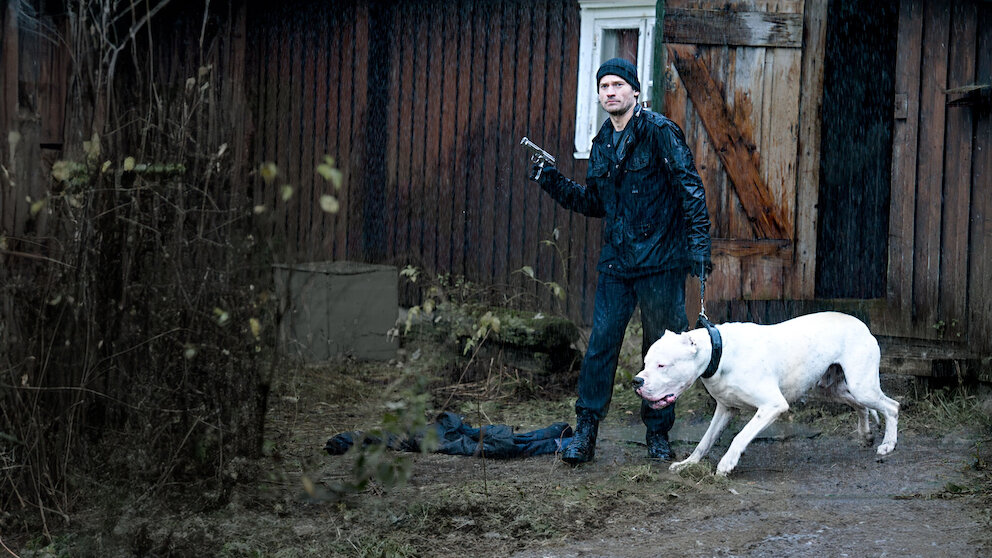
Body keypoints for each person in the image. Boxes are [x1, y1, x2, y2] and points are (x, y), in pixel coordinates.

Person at [530, 57, 711, 464]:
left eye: (617, 85)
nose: (610, 92)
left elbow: (691, 189)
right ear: (599, 95)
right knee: (601, 345)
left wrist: (699, 247)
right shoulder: (601, 144)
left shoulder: (659, 132)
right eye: (604, 86)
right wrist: (552, 181)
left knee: (659, 350)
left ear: (635, 91)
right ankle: (586, 433)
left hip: (661, 261)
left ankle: (658, 435)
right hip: (617, 263)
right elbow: (597, 203)